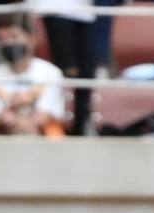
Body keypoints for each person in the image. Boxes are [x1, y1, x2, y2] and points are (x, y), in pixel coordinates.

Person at [0, 11, 66, 136]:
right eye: (1, 39)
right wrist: (13, 108)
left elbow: (46, 115)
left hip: (44, 138)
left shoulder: (50, 72)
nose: (7, 43)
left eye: (13, 37)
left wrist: (23, 124)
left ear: (31, 38)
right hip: (5, 137)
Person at [34, 0, 97, 134]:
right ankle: (55, 126)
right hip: (54, 8)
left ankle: (79, 129)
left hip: (83, 11)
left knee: (87, 74)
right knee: (65, 71)